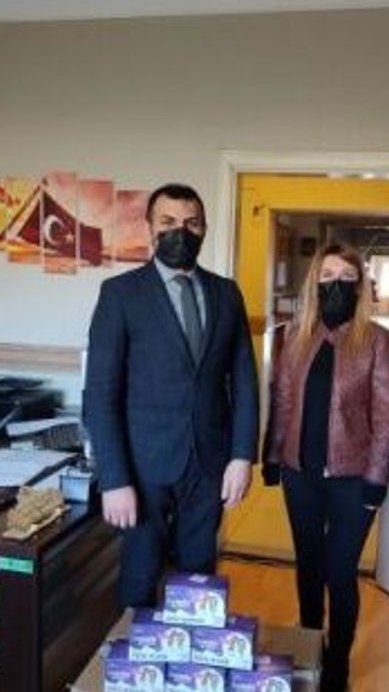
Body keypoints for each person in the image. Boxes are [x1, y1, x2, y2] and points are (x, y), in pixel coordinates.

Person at [84, 183, 259, 607]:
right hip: (142, 467)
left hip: (209, 464)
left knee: (198, 579)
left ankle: (187, 650)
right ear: (150, 228)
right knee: (140, 576)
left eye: (191, 223)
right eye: (168, 222)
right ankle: (134, 648)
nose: (181, 231)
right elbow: (100, 395)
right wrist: (114, 479)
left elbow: (244, 381)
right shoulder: (120, 294)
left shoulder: (226, 293)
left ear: (204, 229)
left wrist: (242, 456)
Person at [262, 243, 389, 692]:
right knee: (308, 566)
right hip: (300, 473)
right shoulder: (293, 337)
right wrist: (272, 455)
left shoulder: (378, 342)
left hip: (353, 480)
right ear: (313, 284)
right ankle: (310, 648)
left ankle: (338, 661)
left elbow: (388, 417)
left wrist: (376, 481)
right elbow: (283, 400)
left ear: (360, 285)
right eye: (326, 276)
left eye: (345, 276)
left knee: (340, 573)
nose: (335, 284)